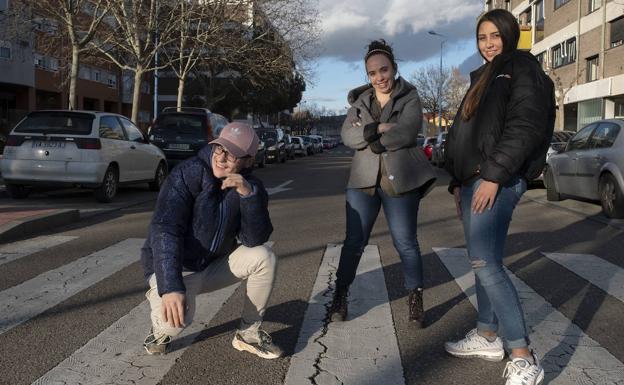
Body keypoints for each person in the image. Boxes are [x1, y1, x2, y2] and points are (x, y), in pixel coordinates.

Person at [443, 9, 555, 385]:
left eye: (494, 35)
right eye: (481, 37)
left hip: (498, 180)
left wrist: (493, 176)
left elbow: (524, 126)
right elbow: (464, 134)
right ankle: (487, 334)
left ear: (509, 34)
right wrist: (457, 182)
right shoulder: (484, 77)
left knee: (486, 263)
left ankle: (523, 355)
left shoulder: (522, 68)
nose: (488, 43)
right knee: (481, 261)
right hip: (475, 181)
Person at [140, 122, 282, 359]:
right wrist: (171, 287)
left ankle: (248, 334)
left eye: (232, 154)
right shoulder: (188, 173)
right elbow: (165, 229)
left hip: (213, 265)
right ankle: (159, 328)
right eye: (219, 149)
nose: (222, 158)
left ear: (248, 160)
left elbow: (254, 239)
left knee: (264, 257)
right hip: (179, 268)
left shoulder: (252, 187)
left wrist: (248, 196)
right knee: (176, 322)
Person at [328, 39, 436, 327]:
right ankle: (340, 295)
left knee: (406, 243)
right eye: (373, 73)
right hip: (362, 183)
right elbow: (346, 137)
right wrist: (376, 128)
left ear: (394, 68)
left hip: (400, 182)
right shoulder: (359, 103)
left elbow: (407, 133)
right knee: (354, 242)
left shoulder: (410, 97)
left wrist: (372, 142)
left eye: (384, 70)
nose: (380, 77)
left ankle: (415, 298)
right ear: (368, 76)